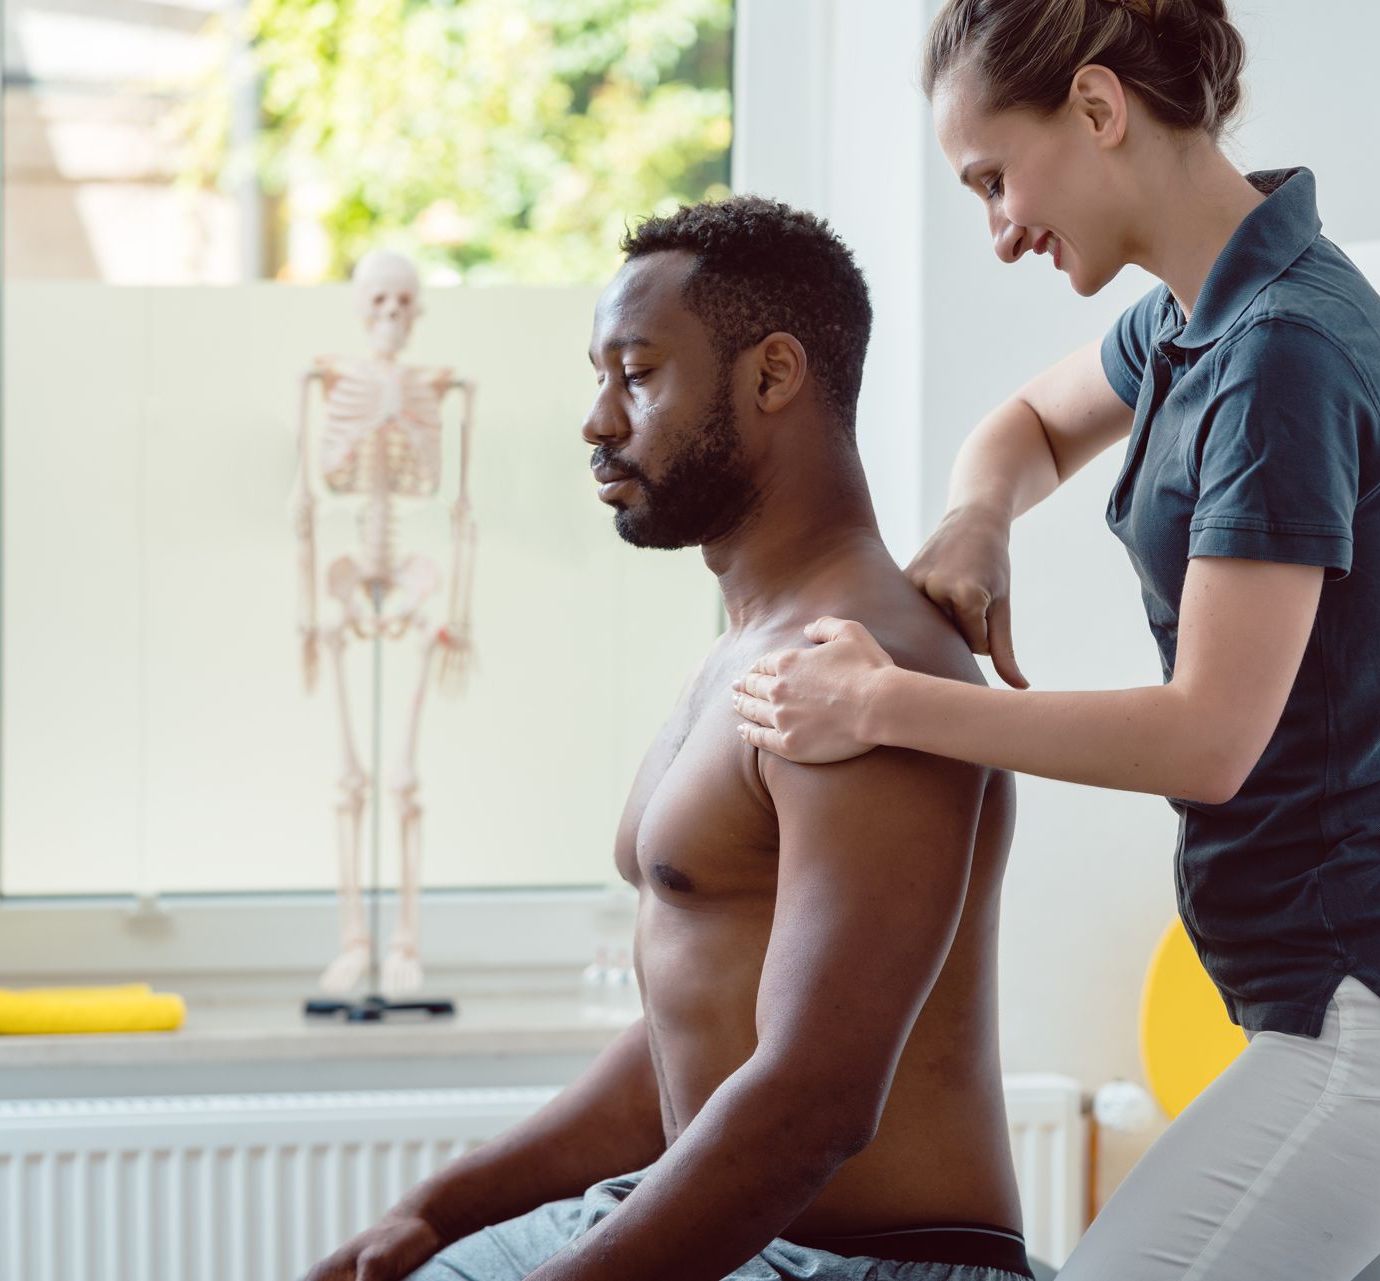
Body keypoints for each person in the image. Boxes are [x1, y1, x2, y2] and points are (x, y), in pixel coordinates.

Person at [730, 2, 1380, 1278]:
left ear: (1100, 110)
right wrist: (977, 520)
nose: (998, 231)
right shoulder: (1194, 314)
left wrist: (883, 704)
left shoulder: (1280, 352)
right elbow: (1027, 426)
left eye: (996, 179)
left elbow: (1207, 738)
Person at [303, 196, 1034, 1281]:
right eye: (599, 378)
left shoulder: (871, 673)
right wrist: (433, 1212)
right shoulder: (741, 655)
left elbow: (812, 1105)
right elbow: (680, 1054)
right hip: (722, 1222)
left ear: (773, 376)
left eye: (637, 375)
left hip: (867, 1262)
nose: (598, 421)